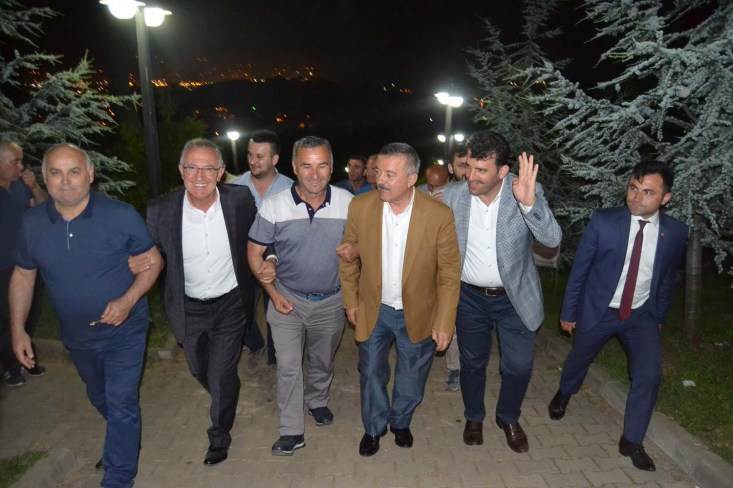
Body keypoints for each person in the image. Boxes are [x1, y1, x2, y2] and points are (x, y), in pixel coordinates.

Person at [10, 143, 162, 487]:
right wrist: (18, 330)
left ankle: (118, 476)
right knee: (100, 397)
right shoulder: (32, 223)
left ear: (90, 175)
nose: (65, 181)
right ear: (44, 177)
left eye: (74, 171)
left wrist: (128, 300)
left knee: (121, 401)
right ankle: (124, 437)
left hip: (126, 329)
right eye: (56, 172)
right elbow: (23, 274)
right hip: (77, 336)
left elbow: (153, 261)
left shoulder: (120, 215)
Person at [548, 161, 688, 472]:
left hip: (641, 314)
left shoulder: (676, 232)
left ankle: (632, 440)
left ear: (665, 198)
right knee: (579, 358)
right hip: (599, 309)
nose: (637, 197)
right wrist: (569, 311)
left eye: (648, 192)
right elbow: (580, 270)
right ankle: (565, 391)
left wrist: (658, 315)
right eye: (633, 188)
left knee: (650, 375)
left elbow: (667, 279)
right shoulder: (604, 221)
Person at [442, 130, 561, 453]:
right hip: (469, 298)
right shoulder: (452, 196)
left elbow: (551, 240)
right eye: (469, 167)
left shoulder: (524, 191)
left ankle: (507, 417)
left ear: (503, 171)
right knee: (472, 364)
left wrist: (529, 204)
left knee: (519, 366)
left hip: (514, 297)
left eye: (482, 170)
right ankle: (473, 417)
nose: (471, 176)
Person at [339, 142, 461, 457]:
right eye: (378, 171)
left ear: (411, 179)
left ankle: (401, 421)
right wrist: (350, 300)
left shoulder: (438, 215)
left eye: (390, 174)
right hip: (373, 308)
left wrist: (445, 321)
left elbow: (449, 274)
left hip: (418, 311)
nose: (380, 179)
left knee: (412, 373)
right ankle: (374, 428)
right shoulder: (361, 207)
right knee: (370, 372)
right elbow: (348, 256)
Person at [145, 138, 257, 466]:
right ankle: (227, 391)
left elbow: (257, 239)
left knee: (220, 372)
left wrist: (269, 261)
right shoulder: (161, 210)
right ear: (181, 170)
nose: (199, 176)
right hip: (188, 307)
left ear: (221, 172)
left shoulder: (240, 200)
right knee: (198, 368)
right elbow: (150, 256)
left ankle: (219, 437)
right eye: (192, 167)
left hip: (230, 303)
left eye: (208, 168)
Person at [248, 136, 352, 456]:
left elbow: (364, 244)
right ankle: (291, 431)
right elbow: (254, 251)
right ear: (294, 166)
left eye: (322, 165)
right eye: (306, 165)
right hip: (286, 300)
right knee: (289, 365)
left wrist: (357, 250)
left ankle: (317, 399)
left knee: (322, 360)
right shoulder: (274, 205)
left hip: (331, 301)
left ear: (332, 167)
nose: (314, 173)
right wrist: (271, 291)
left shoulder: (349, 203)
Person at [231, 129, 293, 371]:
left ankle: (276, 357)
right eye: (250, 155)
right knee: (240, 308)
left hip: (280, 261)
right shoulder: (235, 187)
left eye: (260, 156)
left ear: (274, 159)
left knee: (276, 309)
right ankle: (255, 345)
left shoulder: (290, 189)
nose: (253, 161)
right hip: (244, 260)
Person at [0, 141, 48, 387]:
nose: (21, 166)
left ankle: (27, 358)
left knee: (29, 314)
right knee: (8, 317)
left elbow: (43, 209)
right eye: (15, 162)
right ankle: (12, 366)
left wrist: (35, 187)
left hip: (27, 263)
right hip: (2, 267)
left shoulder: (20, 184)